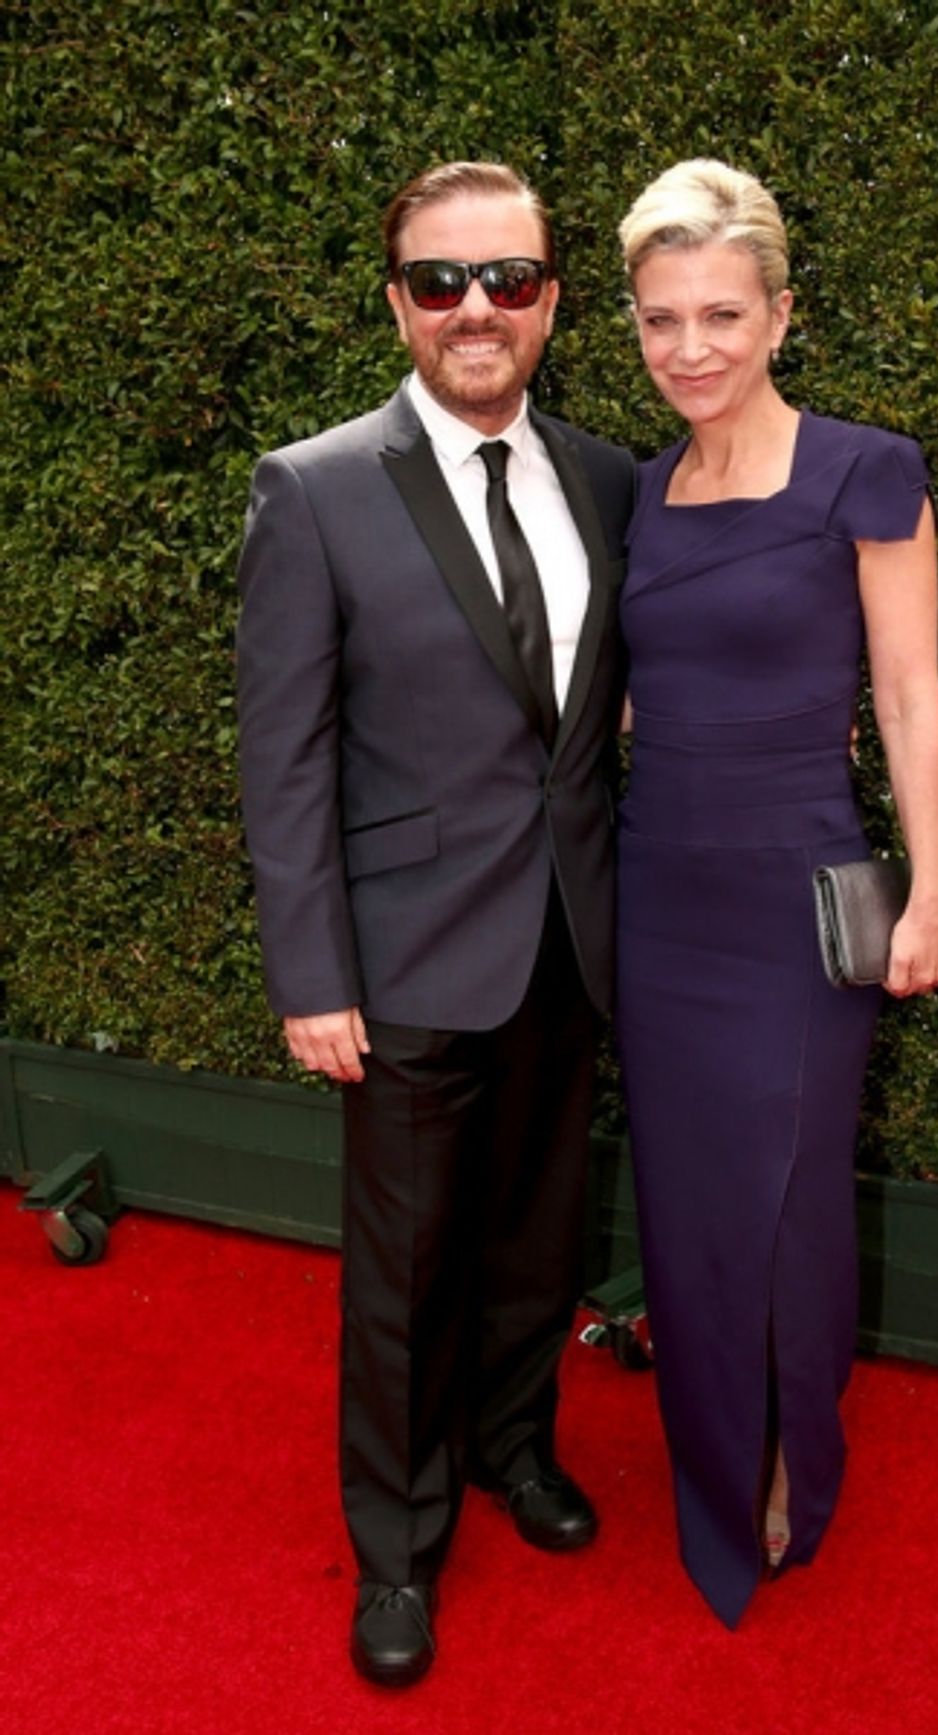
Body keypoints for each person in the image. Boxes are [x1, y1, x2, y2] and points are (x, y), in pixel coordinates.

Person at [236, 161, 635, 1687]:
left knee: (539, 1239)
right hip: (400, 958)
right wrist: (310, 972)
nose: (479, 310)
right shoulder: (313, 485)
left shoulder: (608, 479)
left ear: (550, 299)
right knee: (404, 1275)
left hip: (569, 941)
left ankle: (511, 1450)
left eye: (511, 280)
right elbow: (285, 755)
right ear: (397, 297)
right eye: (443, 282)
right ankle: (397, 1550)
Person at [614, 160, 938, 1629]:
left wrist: (930, 892)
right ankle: (706, 1459)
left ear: (780, 315)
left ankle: (790, 1464)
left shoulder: (867, 470)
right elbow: (629, 693)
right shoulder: (640, 490)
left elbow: (909, 692)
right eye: (659, 320)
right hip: (658, 893)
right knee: (687, 1205)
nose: (689, 348)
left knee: (793, 1206)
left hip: (797, 898)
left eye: (721, 315)